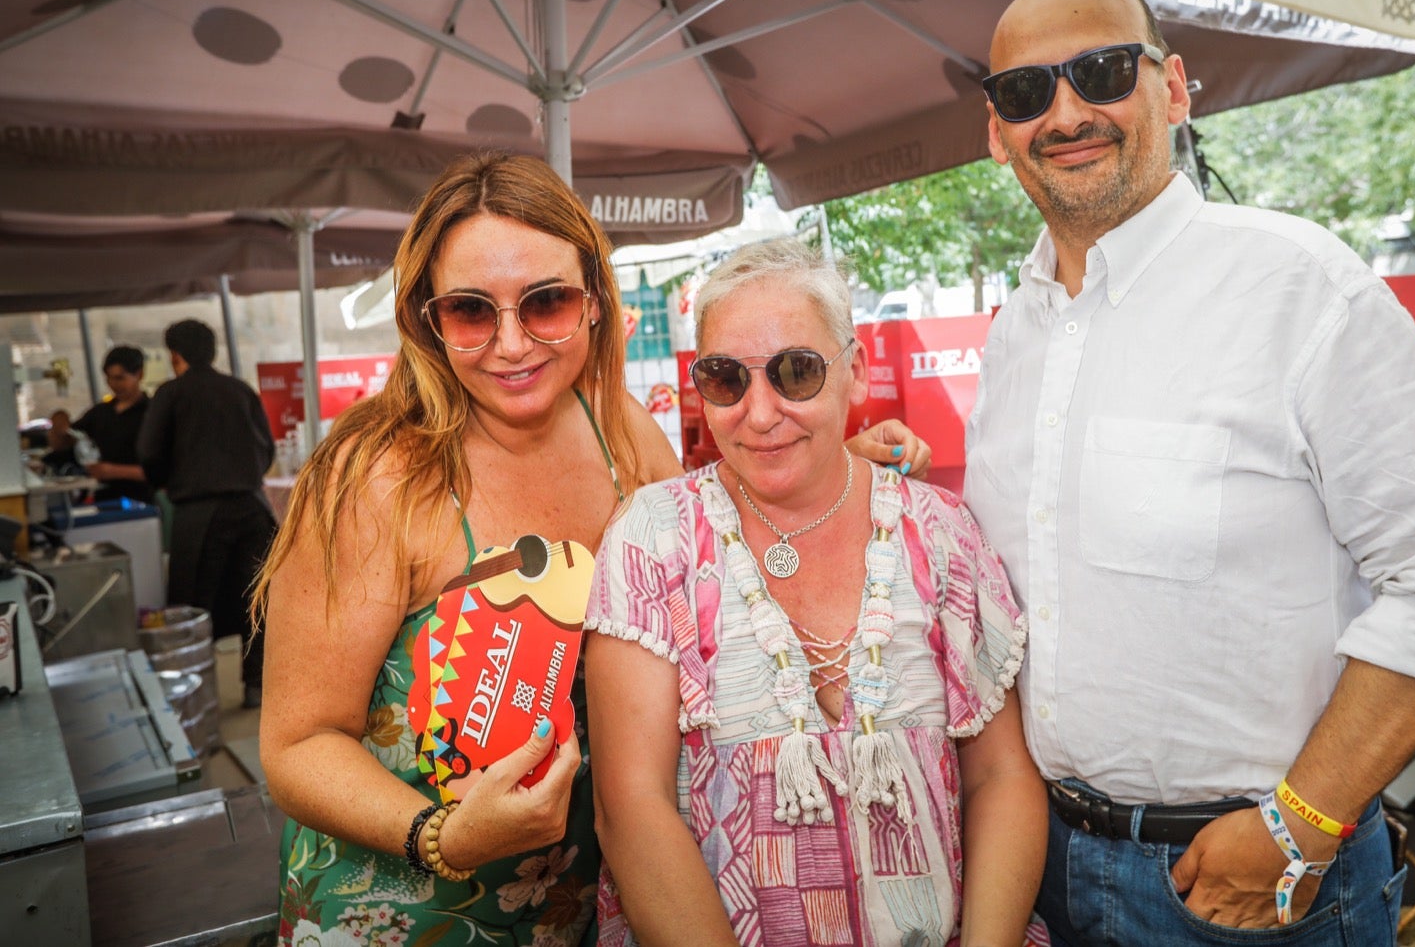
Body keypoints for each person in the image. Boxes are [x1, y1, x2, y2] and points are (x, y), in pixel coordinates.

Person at [963, 0, 1415, 945]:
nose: (1063, 112)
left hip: (1252, 884)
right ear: (994, 129)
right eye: (1024, 92)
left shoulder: (1297, 287)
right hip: (1041, 866)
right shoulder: (1016, 331)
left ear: (1174, 89)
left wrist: (1298, 827)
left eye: (1099, 71)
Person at [249, 154, 930, 946]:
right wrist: (444, 836)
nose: (511, 344)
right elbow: (297, 744)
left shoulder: (619, 433)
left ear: (596, 303)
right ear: (427, 320)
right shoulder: (376, 477)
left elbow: (711, 545)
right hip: (398, 912)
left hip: (585, 904)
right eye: (472, 311)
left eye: (546, 302)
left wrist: (834, 460)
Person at [584, 238, 1047, 946]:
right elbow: (630, 808)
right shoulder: (654, 538)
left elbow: (1001, 778)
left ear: (855, 372)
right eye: (725, 379)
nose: (760, 412)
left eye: (796, 372)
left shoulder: (940, 531)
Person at [138, 319, 277, 708]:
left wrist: (166, 480)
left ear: (174, 355)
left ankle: (198, 697)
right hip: (251, 508)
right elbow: (266, 449)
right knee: (256, 602)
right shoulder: (240, 390)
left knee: (194, 608)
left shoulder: (170, 394)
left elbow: (149, 453)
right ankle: (255, 686)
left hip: (198, 514)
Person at [75, 345, 153, 504]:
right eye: (109, 378)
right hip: (101, 498)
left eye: (120, 378)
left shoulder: (152, 414)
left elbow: (162, 469)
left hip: (140, 500)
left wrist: (112, 471)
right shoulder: (99, 413)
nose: (113, 384)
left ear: (139, 374)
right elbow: (71, 438)